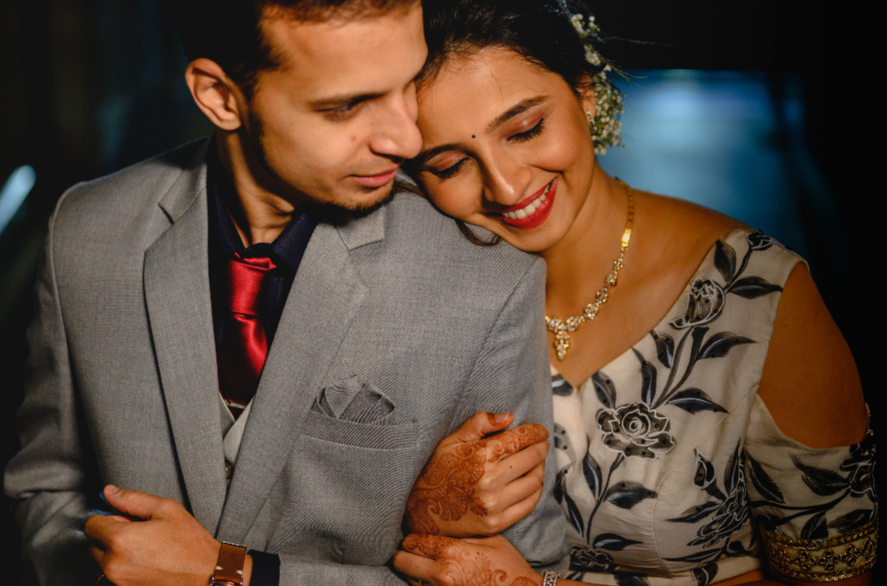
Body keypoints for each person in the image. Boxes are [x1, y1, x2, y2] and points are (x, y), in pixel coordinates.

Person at [2, 1, 570, 584]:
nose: (405, 138)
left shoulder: (486, 275)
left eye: (407, 84)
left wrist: (233, 575)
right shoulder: (84, 231)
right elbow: (47, 488)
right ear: (221, 97)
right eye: (348, 105)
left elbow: (518, 571)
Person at [392, 0, 877, 585]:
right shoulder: (407, 296)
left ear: (585, 91)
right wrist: (425, 507)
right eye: (449, 165)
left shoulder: (759, 298)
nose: (506, 185)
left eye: (525, 130)